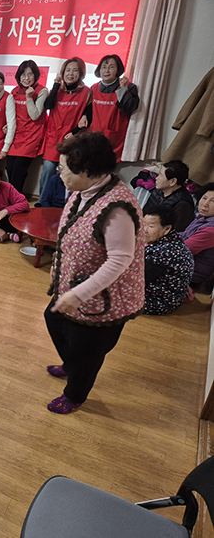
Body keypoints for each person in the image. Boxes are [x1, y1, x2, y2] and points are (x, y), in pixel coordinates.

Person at [44, 132, 144, 414]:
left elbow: (120, 260)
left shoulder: (117, 208)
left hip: (103, 297)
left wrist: (79, 294)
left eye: (64, 168)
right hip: (77, 286)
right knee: (54, 320)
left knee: (87, 351)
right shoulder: (84, 191)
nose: (59, 172)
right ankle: (72, 364)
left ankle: (75, 394)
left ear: (86, 171)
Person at [39, 57, 91, 201]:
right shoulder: (57, 89)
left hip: (71, 139)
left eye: (75, 70)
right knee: (48, 170)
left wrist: (75, 133)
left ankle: (62, 204)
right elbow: (47, 105)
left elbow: (88, 117)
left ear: (81, 73)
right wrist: (56, 85)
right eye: (68, 70)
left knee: (67, 173)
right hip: (53, 137)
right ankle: (42, 202)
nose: (70, 73)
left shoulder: (86, 92)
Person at [83, 54, 140, 159]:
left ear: (118, 70)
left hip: (116, 139)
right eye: (104, 67)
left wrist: (123, 89)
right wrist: (84, 116)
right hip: (94, 138)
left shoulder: (129, 87)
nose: (107, 70)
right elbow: (88, 110)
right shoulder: (93, 88)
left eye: (111, 67)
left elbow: (128, 109)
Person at [143, 205, 194, 315]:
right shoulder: (174, 239)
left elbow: (138, 279)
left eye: (151, 226)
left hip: (158, 302)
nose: (144, 230)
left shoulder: (162, 253)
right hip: (171, 299)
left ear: (167, 229)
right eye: (143, 225)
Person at [7, 60, 49, 194]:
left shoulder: (42, 91)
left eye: (30, 74)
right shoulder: (14, 91)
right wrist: (7, 125)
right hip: (16, 135)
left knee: (19, 170)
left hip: (31, 136)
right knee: (9, 168)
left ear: (36, 75)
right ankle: (16, 197)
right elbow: (11, 113)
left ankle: (15, 199)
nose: (26, 78)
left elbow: (35, 115)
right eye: (23, 75)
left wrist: (29, 98)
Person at [143, 160, 195, 232]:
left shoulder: (183, 204)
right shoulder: (158, 191)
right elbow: (143, 214)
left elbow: (177, 232)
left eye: (161, 175)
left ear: (172, 181)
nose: (157, 178)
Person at [180, 183, 214, 286]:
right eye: (204, 198)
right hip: (180, 265)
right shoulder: (201, 218)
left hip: (189, 275)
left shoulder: (210, 230)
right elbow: (183, 235)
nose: (205, 204)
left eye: (213, 201)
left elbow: (182, 252)